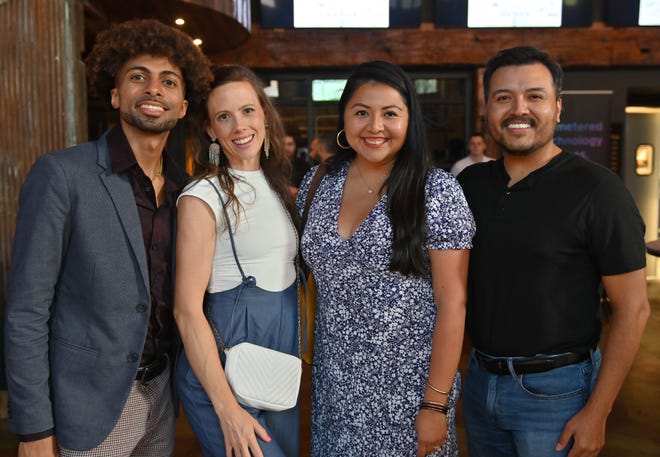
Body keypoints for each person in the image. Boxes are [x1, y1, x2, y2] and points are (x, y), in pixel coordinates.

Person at [3, 18, 212, 457]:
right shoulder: (62, 174)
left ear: (183, 106)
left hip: (161, 397)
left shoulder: (187, 192)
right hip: (83, 409)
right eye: (139, 77)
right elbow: (26, 310)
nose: (154, 89)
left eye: (168, 82)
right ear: (116, 95)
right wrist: (33, 428)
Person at [457, 45, 650, 457]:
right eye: (503, 97)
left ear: (558, 107)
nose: (518, 109)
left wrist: (598, 411)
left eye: (535, 96)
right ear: (487, 107)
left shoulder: (599, 190)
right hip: (479, 383)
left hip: (558, 394)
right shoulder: (469, 186)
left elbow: (633, 309)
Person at [296, 60, 475, 457]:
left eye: (390, 113)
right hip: (334, 394)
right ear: (344, 118)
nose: (374, 126)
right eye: (362, 112)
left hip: (408, 396)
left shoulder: (436, 191)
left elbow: (453, 303)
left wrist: (435, 404)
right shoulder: (318, 183)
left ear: (409, 120)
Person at [173, 64, 300, 457]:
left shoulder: (279, 186)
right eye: (223, 117)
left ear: (264, 113)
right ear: (211, 130)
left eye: (247, 111)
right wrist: (226, 407)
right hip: (223, 374)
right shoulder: (203, 195)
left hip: (277, 370)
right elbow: (186, 310)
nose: (238, 125)